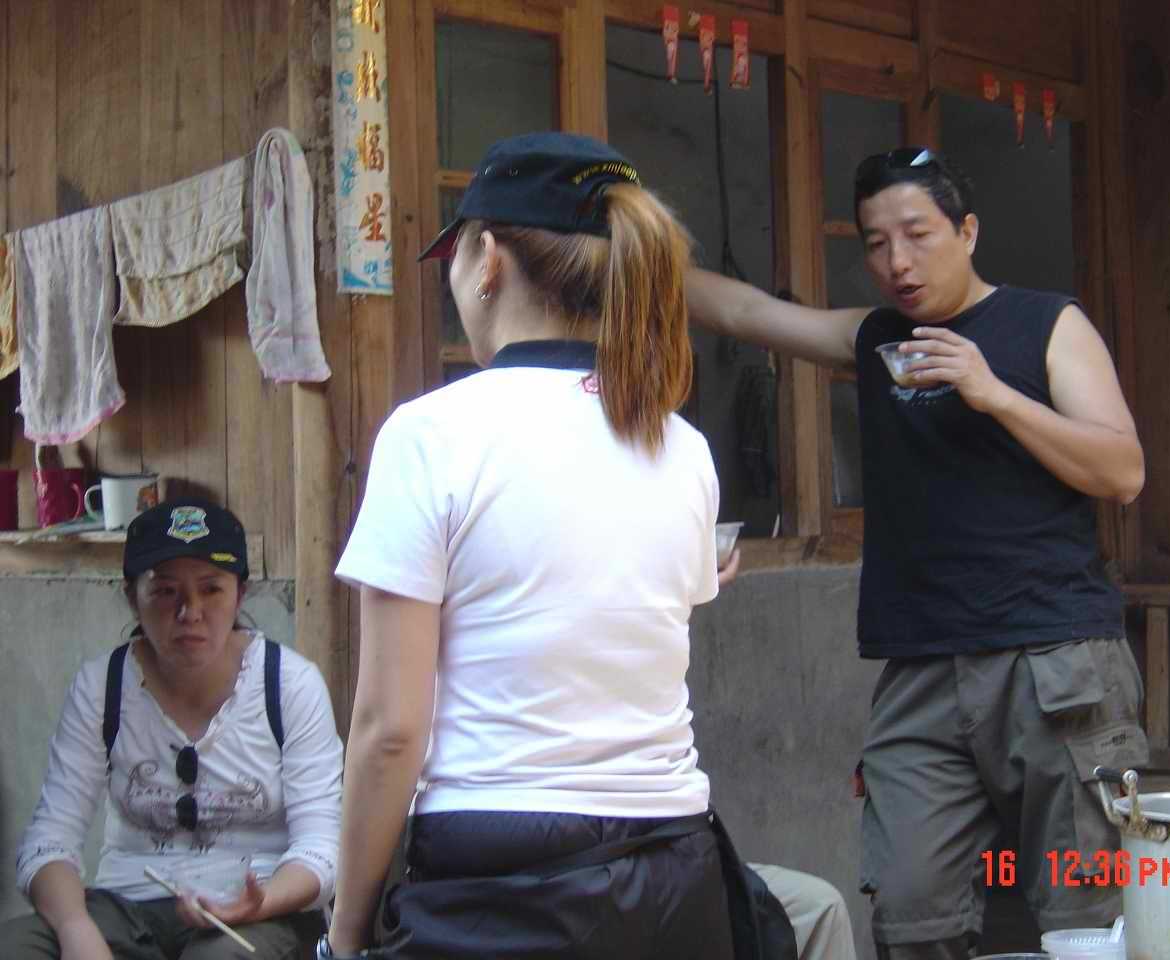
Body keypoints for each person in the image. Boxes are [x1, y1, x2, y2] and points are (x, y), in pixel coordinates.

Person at [685, 147, 1150, 960]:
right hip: (923, 670)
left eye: (917, 234)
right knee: (909, 910)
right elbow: (747, 313)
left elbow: (1123, 472)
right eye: (875, 242)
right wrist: (621, 249)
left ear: (967, 231)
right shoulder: (875, 339)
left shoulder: (1046, 324)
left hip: (1056, 661)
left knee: (1085, 916)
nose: (896, 262)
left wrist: (992, 392)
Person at [322, 132, 739, 960]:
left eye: (454, 256)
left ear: (488, 260)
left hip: (500, 875)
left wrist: (345, 931)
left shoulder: (432, 435)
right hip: (674, 872)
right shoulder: (682, 446)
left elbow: (390, 730)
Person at [6, 499, 344, 959]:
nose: (190, 612)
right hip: (127, 906)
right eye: (165, 591)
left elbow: (322, 849)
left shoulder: (288, 684)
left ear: (240, 595)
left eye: (212, 589)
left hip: (260, 907)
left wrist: (260, 902)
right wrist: (76, 929)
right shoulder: (103, 686)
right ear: (132, 596)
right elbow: (49, 841)